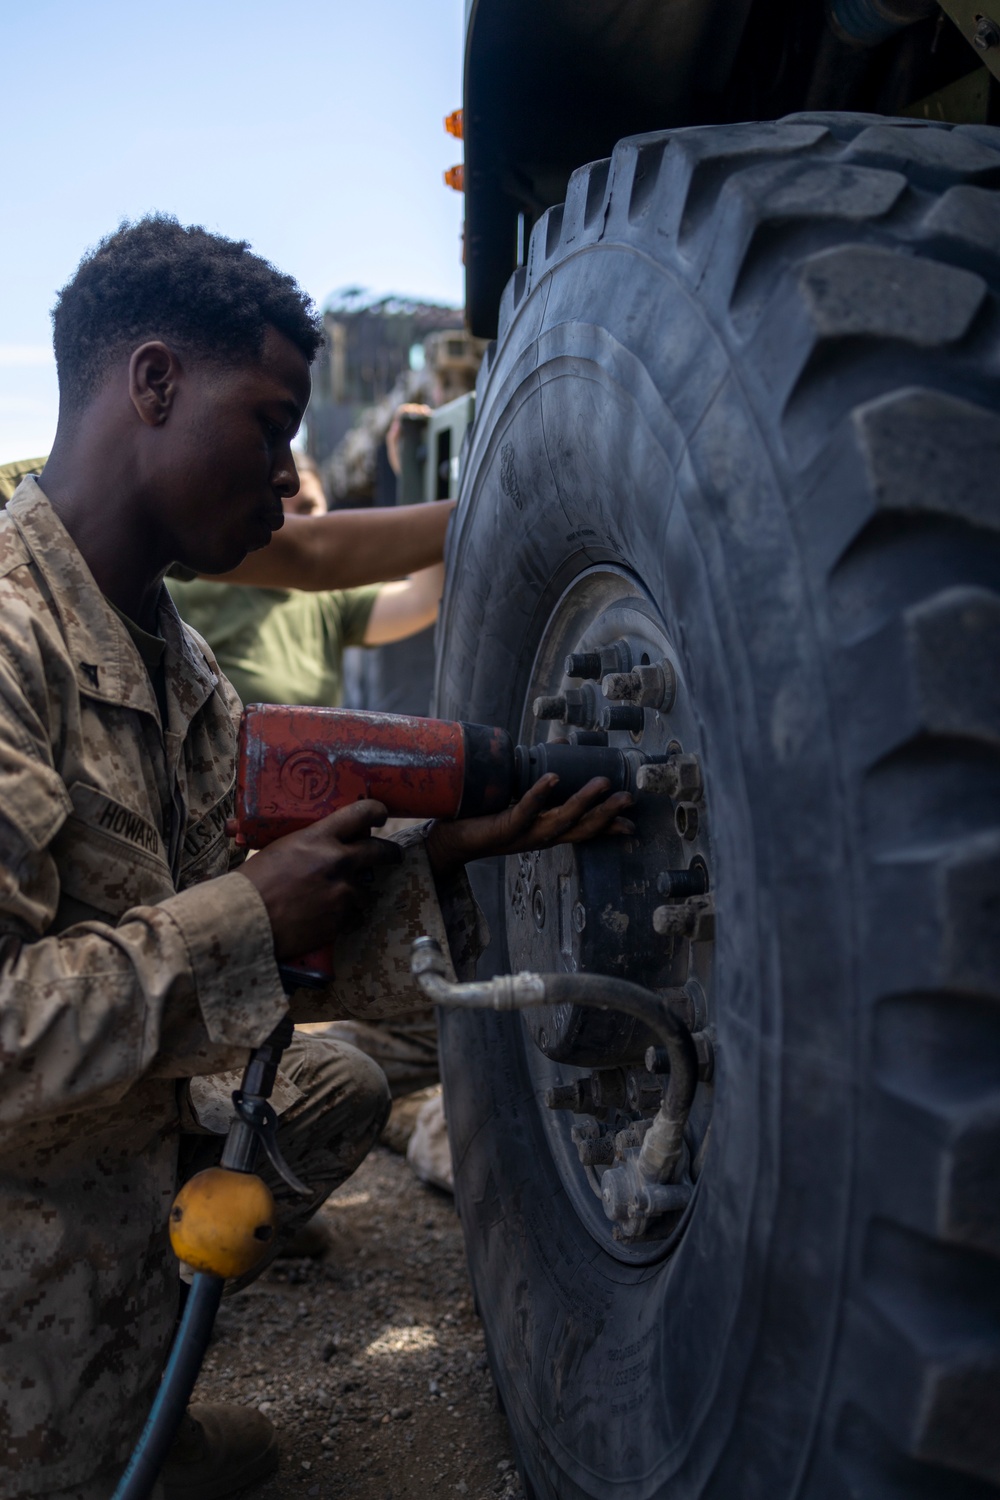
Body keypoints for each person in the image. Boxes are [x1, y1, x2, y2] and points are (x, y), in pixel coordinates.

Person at [0, 214, 633, 1500]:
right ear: (156, 383)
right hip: (31, 1180)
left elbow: (266, 936)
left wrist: (440, 853)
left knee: (330, 1086)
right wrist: (245, 915)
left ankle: (132, 1404)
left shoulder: (173, 661)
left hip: (115, 1141)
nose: (292, 481)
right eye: (270, 421)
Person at [167, 452, 444, 710]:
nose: (291, 526)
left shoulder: (329, 601)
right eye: (276, 506)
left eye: (308, 508)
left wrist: (412, 471)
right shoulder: (190, 590)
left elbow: (424, 599)